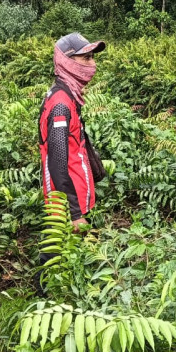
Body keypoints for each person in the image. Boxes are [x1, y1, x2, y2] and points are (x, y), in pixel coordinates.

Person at [38, 32, 106, 232]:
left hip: (75, 197)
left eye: (92, 57)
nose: (92, 64)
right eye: (85, 58)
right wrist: (74, 214)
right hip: (66, 207)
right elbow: (57, 162)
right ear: (66, 61)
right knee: (59, 258)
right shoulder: (61, 104)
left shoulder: (68, 95)